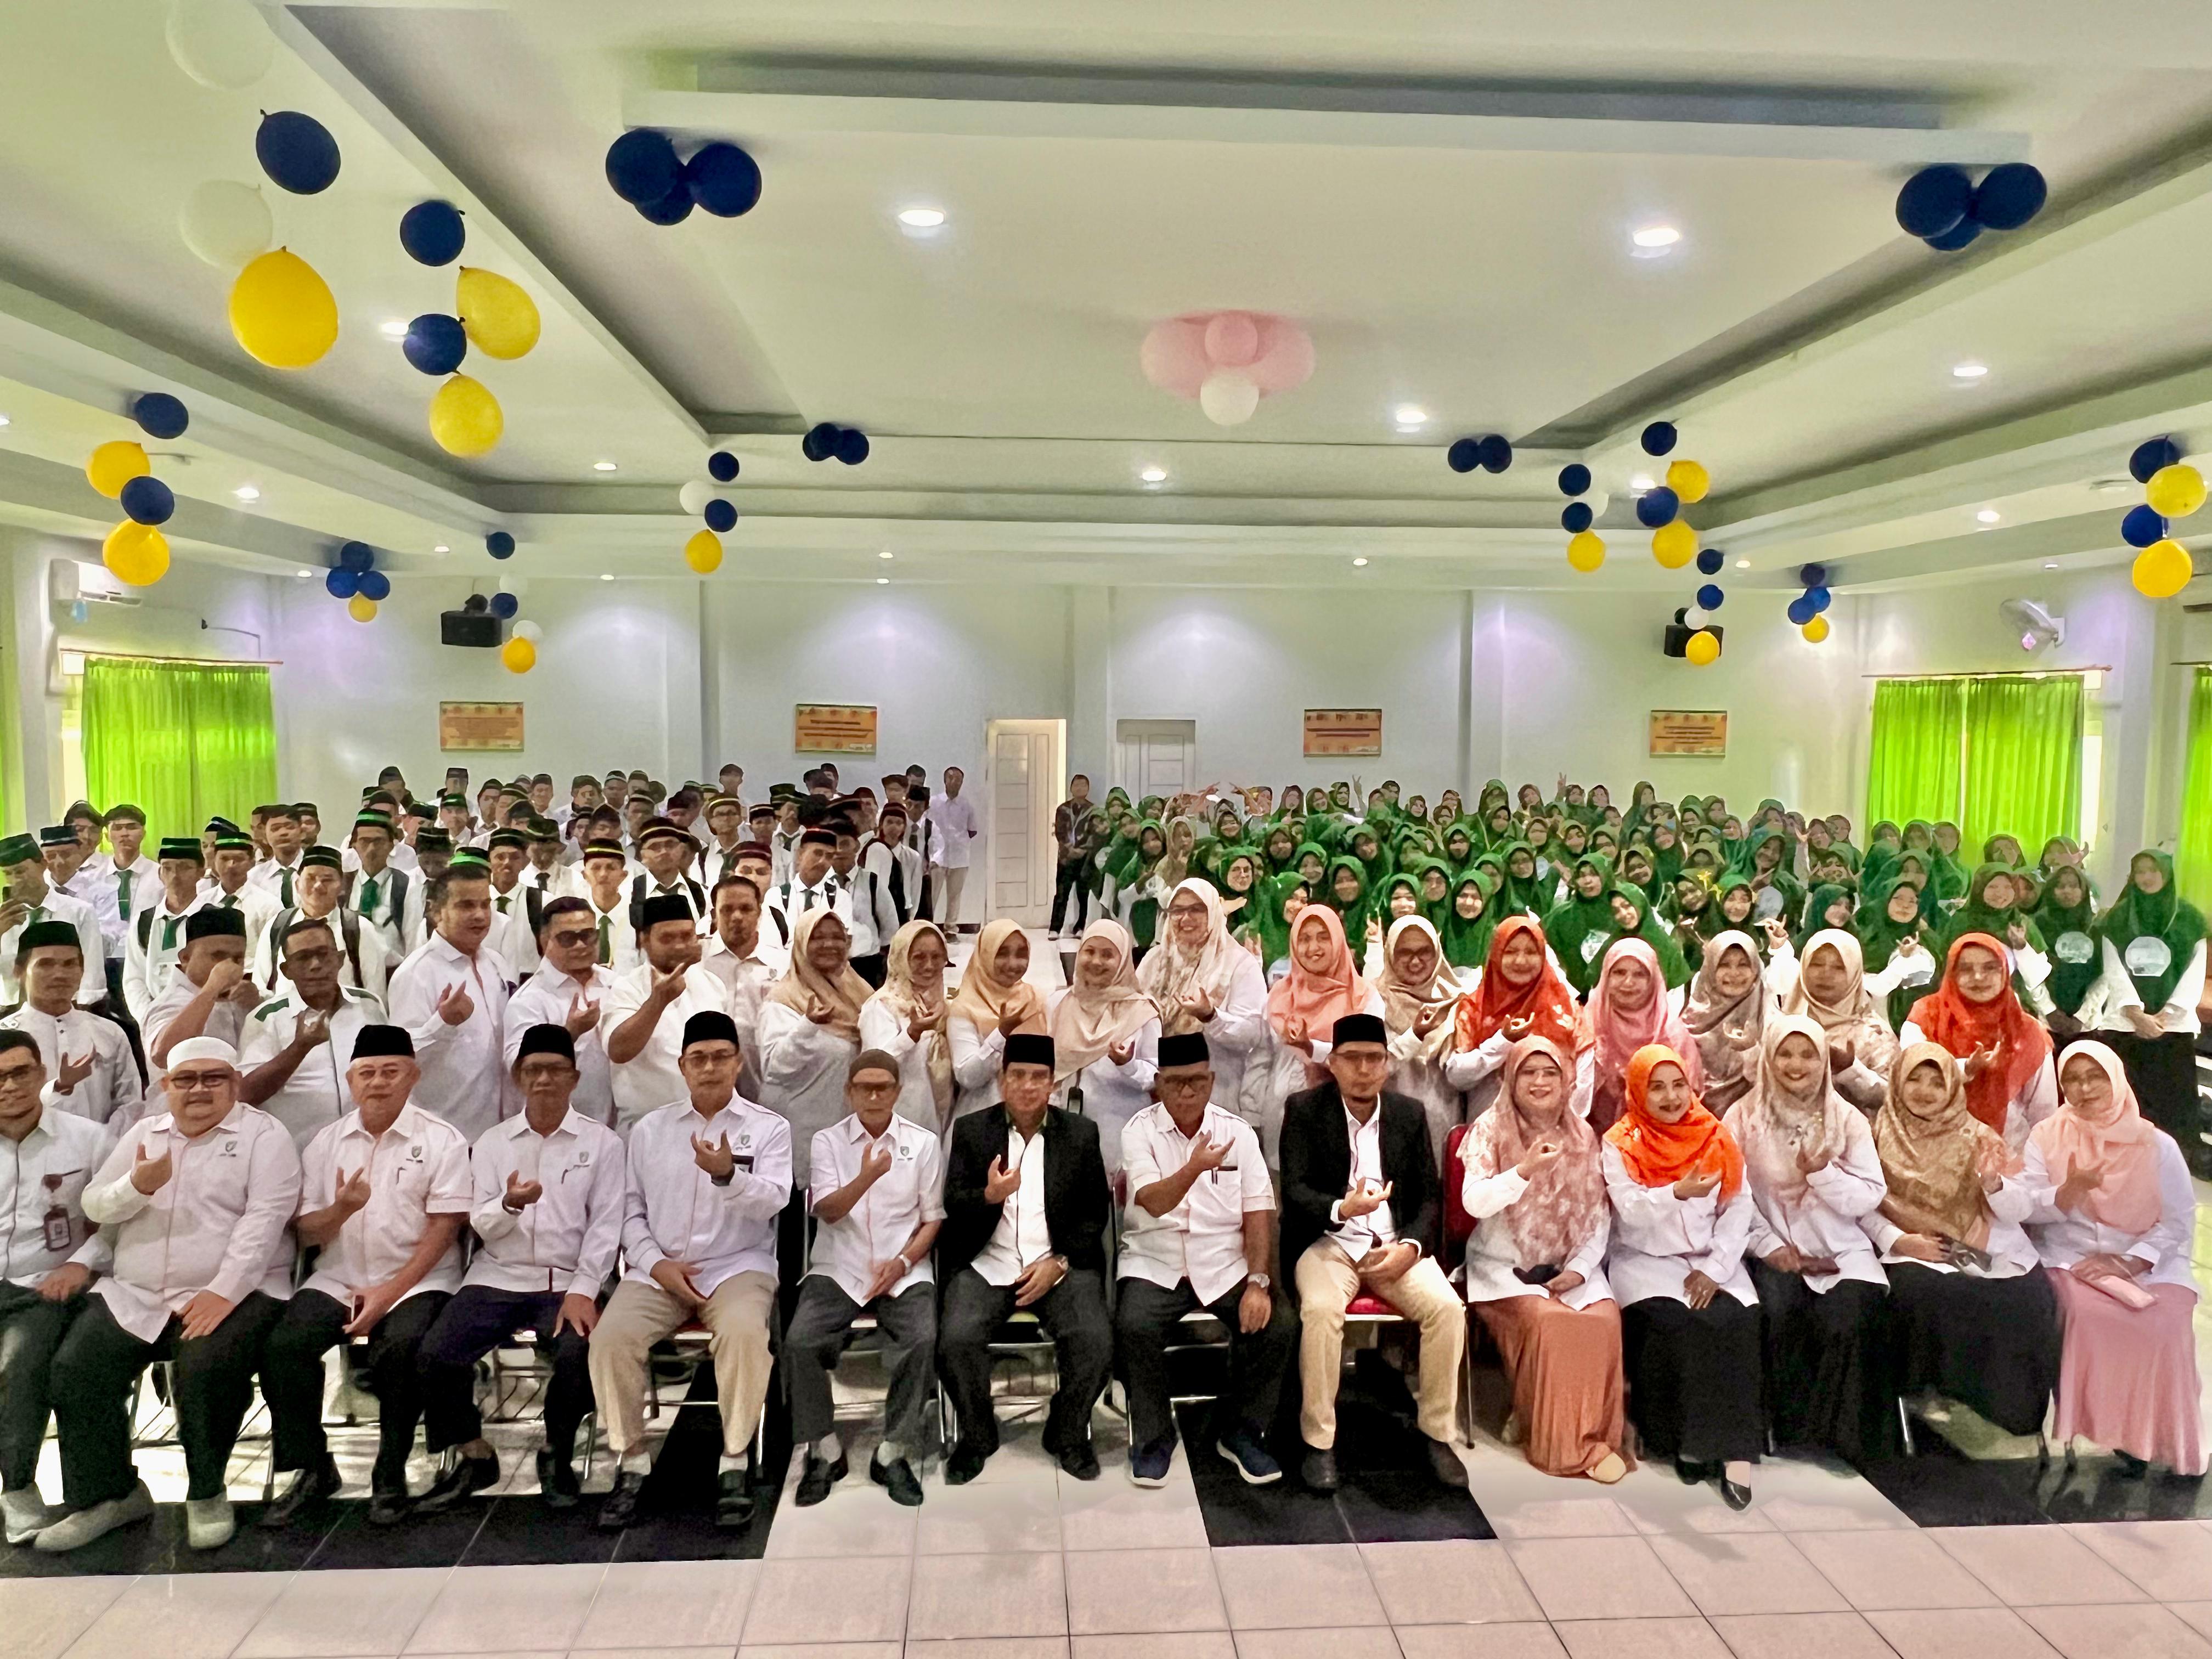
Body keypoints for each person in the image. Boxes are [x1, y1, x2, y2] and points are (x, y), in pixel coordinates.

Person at [37, 1037, 298, 1553]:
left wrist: (224, 1292)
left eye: (213, 1078)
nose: (199, 1089)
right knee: (76, 1368)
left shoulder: (265, 1136)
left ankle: (207, 1493)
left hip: (237, 1290)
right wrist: (137, 1185)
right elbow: (96, 1205)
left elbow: (265, 1221)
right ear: (166, 1086)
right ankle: (110, 1497)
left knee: (203, 1368)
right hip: (135, 1293)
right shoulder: (145, 1133)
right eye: (186, 1079)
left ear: (235, 1083)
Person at [258, 1026, 473, 1527]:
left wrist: (386, 1295)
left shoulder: (442, 1140)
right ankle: (313, 1467)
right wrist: (342, 1210)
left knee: (402, 1348)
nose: (378, 1083)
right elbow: (307, 1233)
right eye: (367, 1073)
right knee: (283, 1347)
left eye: (390, 1072)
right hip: (339, 1277)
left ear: (413, 1077)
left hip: (418, 1281)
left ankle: (390, 1471)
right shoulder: (325, 1142)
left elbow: (445, 1230)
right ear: (351, 1082)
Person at [415, 1025, 624, 1513]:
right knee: (435, 1354)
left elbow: (606, 1227)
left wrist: (585, 1289)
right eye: (533, 1071)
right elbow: (481, 1226)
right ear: (518, 1078)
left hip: (567, 1280)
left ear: (574, 1078)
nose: (544, 1080)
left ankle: (556, 1452)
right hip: (498, 1276)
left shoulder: (603, 1144)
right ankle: (474, 1454)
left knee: (579, 1352)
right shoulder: (493, 1143)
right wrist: (509, 1204)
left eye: (555, 1070)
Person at [591, 1011, 787, 1530]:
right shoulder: (650, 1131)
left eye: (721, 1057)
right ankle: (632, 1461)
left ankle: (735, 1459)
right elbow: (628, 1210)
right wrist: (656, 1264)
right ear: (682, 1066)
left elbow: (774, 1201)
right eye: (698, 1059)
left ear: (739, 1063)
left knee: (745, 1335)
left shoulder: (768, 1128)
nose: (710, 1068)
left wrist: (729, 1176)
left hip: (737, 1266)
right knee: (610, 1339)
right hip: (659, 1269)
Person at [1279, 1012, 1466, 1492]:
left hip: (1392, 1246)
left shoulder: (1408, 1114)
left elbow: (1428, 1196)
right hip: (1329, 1243)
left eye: (1374, 1059)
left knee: (1447, 1310)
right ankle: (1319, 1441)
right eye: (1352, 1058)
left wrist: (1412, 1247)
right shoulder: (1304, 1109)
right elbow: (1295, 1191)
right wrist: (1342, 1208)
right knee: (1321, 1311)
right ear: (1333, 1064)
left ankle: (1437, 1434)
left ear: (1387, 1064)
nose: (1364, 1069)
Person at [1115, 1030, 1297, 1487]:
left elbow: (1259, 1211)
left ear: (1212, 1081)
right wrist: (1194, 1167)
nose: (1187, 1091)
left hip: (1223, 1262)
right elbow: (1153, 1202)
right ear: (1159, 1083)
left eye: (1197, 1081)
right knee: (1134, 1325)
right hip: (1155, 1260)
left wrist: (1258, 1282)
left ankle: (1240, 1430)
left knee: (1277, 1324)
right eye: (1176, 1082)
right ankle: (1154, 1438)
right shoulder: (1138, 1131)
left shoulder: (1238, 1133)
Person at [937, 1031, 1113, 1482]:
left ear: (1053, 1082)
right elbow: (954, 1205)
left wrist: (1060, 1262)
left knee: (1095, 1340)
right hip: (988, 1262)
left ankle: (1067, 1432)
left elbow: (1095, 1213)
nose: (1028, 1086)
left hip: (1058, 1264)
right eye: (1018, 1075)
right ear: (1002, 1079)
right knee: (956, 1339)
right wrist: (988, 1196)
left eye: (1039, 1077)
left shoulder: (1080, 1134)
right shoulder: (972, 1131)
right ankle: (978, 1435)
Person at [2022, 1040, 2204, 1474]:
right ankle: (2118, 1435)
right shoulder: (2046, 1136)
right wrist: (2067, 1192)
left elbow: (2179, 1220)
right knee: (2088, 1317)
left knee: (2165, 1325)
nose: (2084, 1089)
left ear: (2117, 1079)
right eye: (2072, 1080)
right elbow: (2027, 1207)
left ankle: (2168, 1440)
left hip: (2151, 1261)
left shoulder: (2156, 1144)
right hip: (2071, 1257)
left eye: (2095, 1077)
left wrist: (2131, 1262)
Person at [1866, 1042, 2059, 1443]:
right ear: (1897, 1082)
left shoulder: (1980, 1137)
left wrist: (1993, 1183)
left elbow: (2018, 1209)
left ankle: (2009, 1410)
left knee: (2029, 1296)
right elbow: (1862, 1206)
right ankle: (1928, 1394)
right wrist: (1900, 1241)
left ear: (1954, 1088)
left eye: (1937, 1082)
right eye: (1915, 1079)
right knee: (1922, 1292)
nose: (1924, 1091)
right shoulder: (1875, 1133)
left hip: (1979, 1242)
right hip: (1907, 1247)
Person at [1724, 1017, 1895, 1464]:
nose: (1796, 1065)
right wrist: (1770, 1248)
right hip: (1772, 1246)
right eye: (1785, 1053)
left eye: (1808, 1055)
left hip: (1841, 1248)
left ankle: (1843, 1438)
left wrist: (1822, 1173)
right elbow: (1733, 1196)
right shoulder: (1742, 1118)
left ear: (1824, 1062)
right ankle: (1791, 1432)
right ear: (1768, 1058)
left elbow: (1870, 1195)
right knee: (1780, 1310)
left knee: (1852, 1314)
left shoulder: (1847, 1119)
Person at [1458, 1035, 1626, 1482]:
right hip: (1503, 1266)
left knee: (1604, 1319)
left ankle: (1585, 1432)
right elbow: (1474, 1202)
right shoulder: (1489, 1129)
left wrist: (1580, 1270)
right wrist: (1523, 1171)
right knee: (1551, 1323)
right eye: (1528, 1073)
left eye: (1550, 1072)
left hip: (1568, 1265)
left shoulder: (1583, 1135)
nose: (1539, 1082)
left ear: (1567, 1080)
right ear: (1510, 1081)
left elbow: (1599, 1215)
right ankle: (1566, 1448)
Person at [1602, 1043, 1761, 1508]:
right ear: (1638, 1092)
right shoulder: (1620, 1143)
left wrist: (1714, 1270)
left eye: (1679, 1085)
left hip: (1712, 1260)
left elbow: (1739, 1208)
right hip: (1646, 1262)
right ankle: (1686, 1442)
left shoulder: (1715, 1136)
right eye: (1657, 1088)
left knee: (1737, 1323)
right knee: (1679, 1326)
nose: (1671, 1097)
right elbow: (1630, 1212)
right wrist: (1676, 1192)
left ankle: (1736, 1456)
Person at [786, 1048, 943, 1508]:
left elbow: (933, 1218)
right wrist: (867, 1177)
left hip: (903, 1265)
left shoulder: (923, 1143)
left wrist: (903, 1262)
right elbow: (828, 1211)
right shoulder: (828, 1142)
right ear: (849, 1092)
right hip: (840, 1265)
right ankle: (825, 1448)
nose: (874, 1096)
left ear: (897, 1091)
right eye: (864, 1088)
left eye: (883, 1088)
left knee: (922, 1337)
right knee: (801, 1341)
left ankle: (893, 1450)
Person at [0, 1030, 111, 1544]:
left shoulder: (89, 1140)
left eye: (19, 1073)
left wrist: (81, 1264)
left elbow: (121, 1224)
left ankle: (18, 1490)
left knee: (17, 1368)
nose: (8, 1086)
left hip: (44, 1288)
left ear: (42, 1074)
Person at [756, 908, 870, 1299]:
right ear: (802, 944)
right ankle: (790, 1327)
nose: (829, 945)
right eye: (818, 937)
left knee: (838, 1242)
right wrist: (808, 1026)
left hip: (844, 1132)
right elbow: (774, 1068)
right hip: (798, 1140)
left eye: (837, 936)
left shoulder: (859, 992)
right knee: (796, 1245)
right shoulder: (783, 999)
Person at [2086, 850, 2208, 1175]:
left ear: (2167, 873)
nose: (2147, 877)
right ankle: (2122, 1160)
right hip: (2127, 1025)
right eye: (2140, 871)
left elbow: (2195, 972)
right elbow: (2113, 969)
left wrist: (2167, 1015)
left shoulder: (2189, 917)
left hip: (2173, 1026)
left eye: (2153, 870)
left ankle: (2173, 1163)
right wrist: (2136, 1014)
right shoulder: (2118, 917)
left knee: (2174, 1097)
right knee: (2128, 1096)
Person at [1138, 878, 1271, 1154]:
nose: (1185, 918)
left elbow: (1253, 1034)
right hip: (1156, 1094)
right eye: (1177, 910)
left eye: (1196, 909)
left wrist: (1211, 1016)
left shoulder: (1239, 963)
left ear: (1213, 912)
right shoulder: (1154, 962)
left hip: (1218, 1097)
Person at [386, 859, 515, 1140]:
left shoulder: (497, 963)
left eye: (485, 905)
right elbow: (399, 1061)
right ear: (436, 912)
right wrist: (443, 1023)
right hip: (446, 1134)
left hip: (501, 1130)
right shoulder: (416, 973)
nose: (480, 915)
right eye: (466, 906)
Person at [237, 916, 390, 1146]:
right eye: (303, 958)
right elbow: (247, 1094)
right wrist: (300, 1047)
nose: (316, 965)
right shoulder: (266, 1017)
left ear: (340, 960)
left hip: (366, 1146)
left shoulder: (369, 1004)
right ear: (286, 970)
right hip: (297, 1149)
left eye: (323, 954)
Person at [1903, 934, 2057, 1151]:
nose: (1978, 977)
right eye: (1966, 969)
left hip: (2007, 1152)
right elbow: (1910, 1071)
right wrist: (1966, 1068)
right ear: (1952, 973)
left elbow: (2043, 1112)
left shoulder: (2027, 1032)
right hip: (1932, 1147)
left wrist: (2035, 1162)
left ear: (2005, 972)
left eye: (1990, 968)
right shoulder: (1925, 1016)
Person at [602, 893, 734, 1136]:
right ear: (644, 940)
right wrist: (658, 1001)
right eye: (667, 938)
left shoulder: (712, 984)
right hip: (650, 1129)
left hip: (711, 1123)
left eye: (686, 936)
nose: (679, 946)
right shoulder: (626, 988)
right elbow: (618, 1050)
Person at [1046, 918, 1160, 1172]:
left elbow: (1157, 1077)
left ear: (1123, 961)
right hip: (1064, 1124)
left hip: (1119, 1129)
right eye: (1089, 952)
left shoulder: (1142, 1011)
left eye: (1108, 955)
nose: (1096, 962)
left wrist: (1128, 1065)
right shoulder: (1059, 1003)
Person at [1, 922, 140, 1126]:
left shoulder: (109, 1032)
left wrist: (104, 1140)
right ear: (19, 972)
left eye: (69, 964)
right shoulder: (4, 1036)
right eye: (45, 964)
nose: (60, 974)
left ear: (82, 971)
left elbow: (130, 1103)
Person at [1447, 917, 1579, 1120]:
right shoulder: (1475, 1008)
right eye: (1510, 952)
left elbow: (1581, 1079)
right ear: (1496, 954)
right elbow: (1457, 1077)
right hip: (1490, 1130)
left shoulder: (1565, 1009)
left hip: (1553, 1128)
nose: (1520, 961)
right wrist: (1503, 1042)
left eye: (1531, 952)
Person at [506, 896, 617, 1126]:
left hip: (617, 1125)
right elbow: (519, 1068)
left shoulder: (615, 983)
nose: (580, 945)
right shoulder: (529, 1000)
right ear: (545, 941)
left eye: (588, 935)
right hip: (558, 1128)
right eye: (568, 938)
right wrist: (569, 1034)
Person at [1577, 938, 1700, 1131]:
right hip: (1597, 1135)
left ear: (1653, 980)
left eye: (1640, 974)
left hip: (1663, 1134)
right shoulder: (1589, 1023)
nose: (1628, 982)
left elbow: (1688, 1097)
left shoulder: (1671, 1033)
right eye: (1619, 972)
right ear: (1606, 975)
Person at [1374, 916, 1465, 1167]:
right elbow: (1373, 1069)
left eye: (1424, 952)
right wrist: (1414, 1035)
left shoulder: (1456, 1001)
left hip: (1446, 1121)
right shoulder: (1373, 1002)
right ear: (1390, 953)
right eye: (1405, 953)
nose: (1415, 961)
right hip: (1389, 1123)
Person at [1779, 929, 1900, 1114]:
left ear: (1855, 973)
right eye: (1817, 964)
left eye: (1839, 968)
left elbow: (1894, 1099)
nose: (1826, 974)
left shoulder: (1875, 1035)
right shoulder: (1784, 1022)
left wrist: (1851, 1070)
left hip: (1853, 1131)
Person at [252, 844, 394, 1000]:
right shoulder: (277, 926)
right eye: (311, 879)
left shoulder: (359, 929)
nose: (318, 886)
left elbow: (375, 994)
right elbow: (262, 987)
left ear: (342, 887)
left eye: (327, 880)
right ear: (297, 885)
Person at [857, 919, 958, 1133]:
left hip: (937, 1122)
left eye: (937, 957)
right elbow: (874, 1066)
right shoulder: (882, 1006)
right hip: (896, 1126)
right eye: (919, 957)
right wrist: (911, 1035)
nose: (929, 965)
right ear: (901, 958)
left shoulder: (942, 1005)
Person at [0, 831, 104, 1007]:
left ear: (43, 864)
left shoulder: (79, 911)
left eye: (20, 871)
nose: (15, 880)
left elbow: (92, 972)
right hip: (10, 1009)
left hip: (67, 1007)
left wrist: (82, 1011)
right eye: (7, 874)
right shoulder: (3, 916)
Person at [1680, 930, 1770, 1114]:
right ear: (1710, 968)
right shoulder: (1684, 1012)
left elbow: (1777, 1081)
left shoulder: (1769, 1013)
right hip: (1691, 1115)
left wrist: (1751, 1050)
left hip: (1751, 1117)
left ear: (1755, 968)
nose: (1734, 973)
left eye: (1743, 965)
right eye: (1725, 965)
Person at [123, 837, 212, 1020]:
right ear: (159, 873)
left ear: (201, 872)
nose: (175, 876)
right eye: (167, 868)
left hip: (204, 1015)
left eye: (184, 868)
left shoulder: (216, 919)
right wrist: (148, 1017)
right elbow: (134, 977)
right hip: (154, 1016)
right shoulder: (145, 921)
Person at [346, 811, 425, 955]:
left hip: (394, 967)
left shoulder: (407, 887)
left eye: (378, 842)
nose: (371, 849)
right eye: (365, 841)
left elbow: (414, 945)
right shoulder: (343, 886)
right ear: (354, 845)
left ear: (391, 846)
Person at [926, 765, 981, 929]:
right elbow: (925, 827)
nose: (954, 782)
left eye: (958, 779)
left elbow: (972, 830)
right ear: (945, 780)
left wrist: (959, 842)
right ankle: (927, 927)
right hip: (937, 857)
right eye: (951, 778)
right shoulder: (933, 803)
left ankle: (951, 928)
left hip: (959, 857)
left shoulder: (966, 805)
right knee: (931, 896)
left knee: (955, 896)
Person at [1050, 774, 1103, 939]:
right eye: (1077, 785)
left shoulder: (1094, 811)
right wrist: (1069, 849)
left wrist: (1083, 850)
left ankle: (1081, 926)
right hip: (1066, 859)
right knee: (1061, 894)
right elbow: (1060, 832)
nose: (1080, 788)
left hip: (1085, 859)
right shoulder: (1062, 809)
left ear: (1088, 789)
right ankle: (1055, 928)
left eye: (1083, 785)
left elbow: (1095, 834)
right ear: (1071, 789)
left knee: (1083, 894)